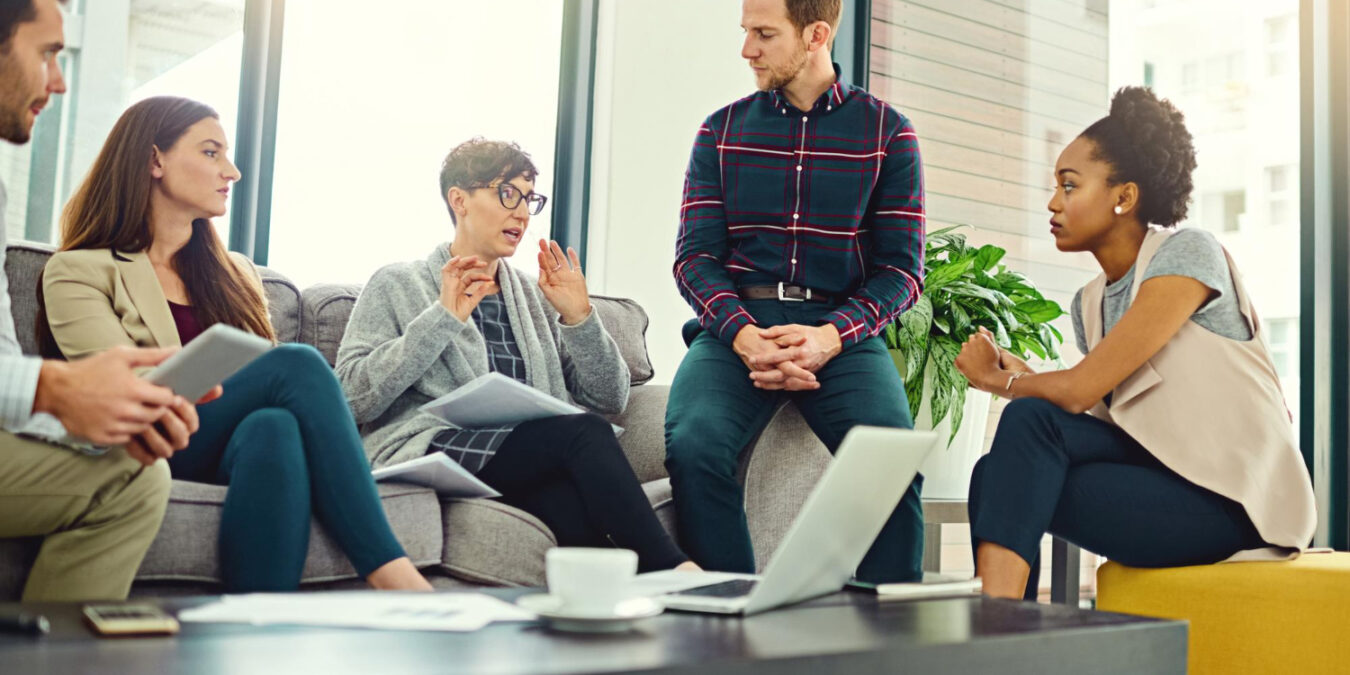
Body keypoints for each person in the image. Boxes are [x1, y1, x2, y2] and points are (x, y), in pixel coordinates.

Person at [40, 95, 433, 593]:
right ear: (155, 159)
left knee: (275, 426)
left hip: (223, 444)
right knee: (296, 364)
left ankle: (258, 626)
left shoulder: (236, 275)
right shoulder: (79, 270)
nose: (232, 171)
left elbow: (262, 392)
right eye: (210, 153)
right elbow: (116, 393)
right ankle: (395, 576)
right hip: (142, 442)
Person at [955, 86, 1316, 599]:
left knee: (1013, 453)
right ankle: (1002, 634)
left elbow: (1080, 390)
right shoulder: (1090, 304)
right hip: (1155, 476)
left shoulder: (1189, 254)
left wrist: (1000, 380)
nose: (1053, 203)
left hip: (1231, 506)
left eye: (1070, 186)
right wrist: (1028, 379)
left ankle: (988, 633)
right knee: (997, 469)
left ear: (1124, 197)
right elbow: (1110, 414)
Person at [335, 138, 695, 573]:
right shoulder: (397, 283)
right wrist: (442, 317)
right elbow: (352, 396)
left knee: (572, 511)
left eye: (529, 199)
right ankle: (679, 573)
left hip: (523, 456)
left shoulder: (532, 294)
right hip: (433, 448)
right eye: (507, 193)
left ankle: (609, 620)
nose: (522, 213)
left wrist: (580, 318)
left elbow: (610, 397)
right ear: (459, 200)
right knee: (585, 433)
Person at [665, 0, 926, 583]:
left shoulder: (889, 133)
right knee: (695, 445)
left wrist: (830, 337)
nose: (746, 50)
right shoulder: (720, 131)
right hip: (738, 324)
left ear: (816, 34)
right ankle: (729, 621)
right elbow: (695, 259)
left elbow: (903, 271)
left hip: (840, 328)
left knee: (890, 465)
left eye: (763, 34)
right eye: (745, 33)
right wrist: (744, 336)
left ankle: (890, 648)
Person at [0, 0, 185, 602]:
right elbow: (34, 384)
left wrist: (86, 422)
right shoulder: (80, 268)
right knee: (293, 375)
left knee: (137, 476)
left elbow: (8, 372)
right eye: (48, 52)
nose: (58, 80)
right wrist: (56, 389)